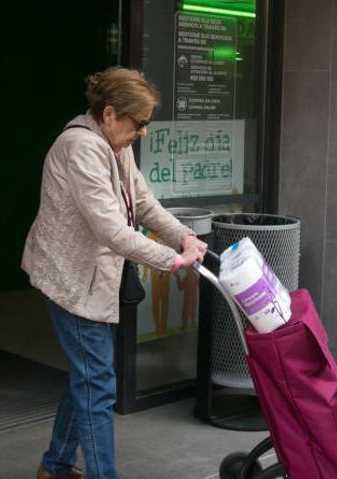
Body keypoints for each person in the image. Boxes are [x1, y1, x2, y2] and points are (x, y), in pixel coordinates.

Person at [22, 66, 207, 479]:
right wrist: (169, 260)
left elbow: (143, 202)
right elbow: (111, 229)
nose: (142, 132)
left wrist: (183, 237)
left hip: (92, 279)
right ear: (109, 114)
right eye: (138, 123)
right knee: (98, 383)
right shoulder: (81, 148)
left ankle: (54, 466)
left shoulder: (115, 145)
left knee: (89, 376)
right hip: (71, 280)